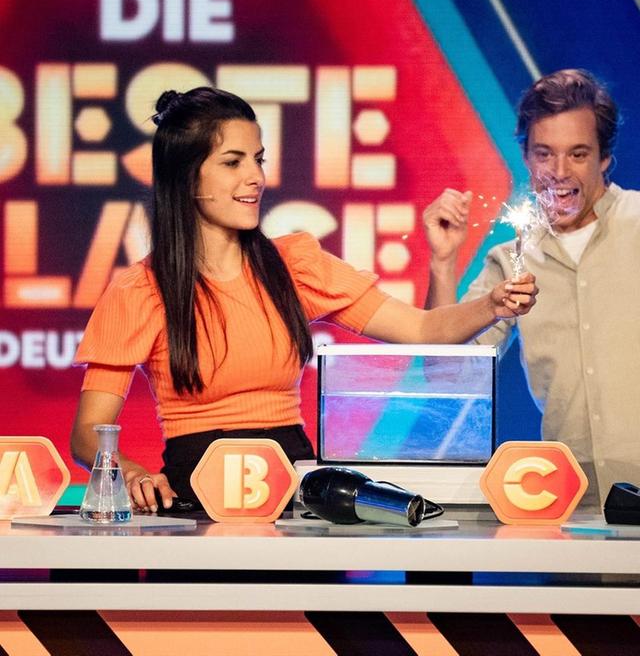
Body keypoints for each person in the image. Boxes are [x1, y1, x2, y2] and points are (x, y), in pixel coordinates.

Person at [71, 86, 537, 513]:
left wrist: (492, 305)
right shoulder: (140, 290)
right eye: (233, 163)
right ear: (186, 178)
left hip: (295, 494)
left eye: (258, 160)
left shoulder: (295, 264)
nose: (256, 177)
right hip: (195, 499)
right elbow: (88, 433)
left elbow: (421, 330)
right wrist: (132, 473)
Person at [423, 68, 638, 508]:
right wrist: (443, 263)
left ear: (604, 159)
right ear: (525, 157)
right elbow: (446, 376)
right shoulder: (512, 260)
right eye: (545, 154)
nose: (558, 172)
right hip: (573, 501)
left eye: (578, 154)